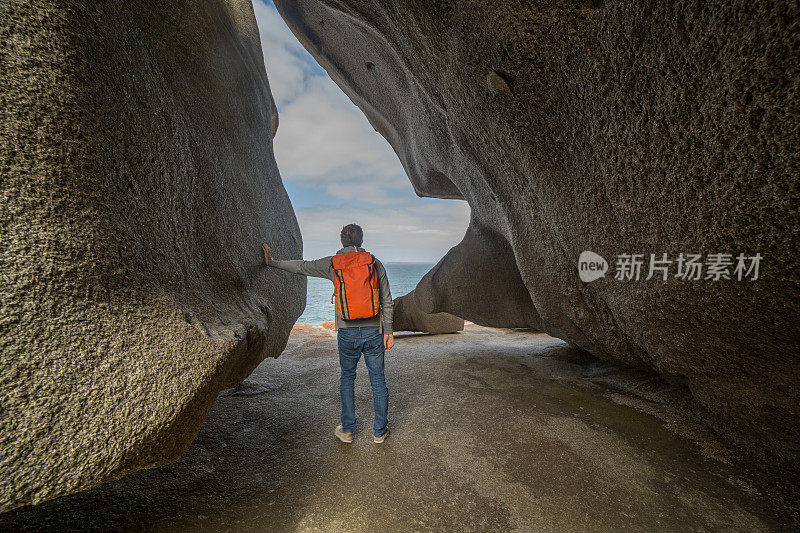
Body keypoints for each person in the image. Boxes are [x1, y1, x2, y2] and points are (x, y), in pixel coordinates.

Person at [262, 223, 393, 444]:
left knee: (347, 378)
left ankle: (348, 429)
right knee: (378, 380)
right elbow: (387, 300)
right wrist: (388, 331)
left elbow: (302, 267)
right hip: (373, 332)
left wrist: (272, 262)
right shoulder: (374, 263)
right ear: (361, 240)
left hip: (347, 333)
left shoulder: (333, 263)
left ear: (342, 241)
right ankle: (379, 432)